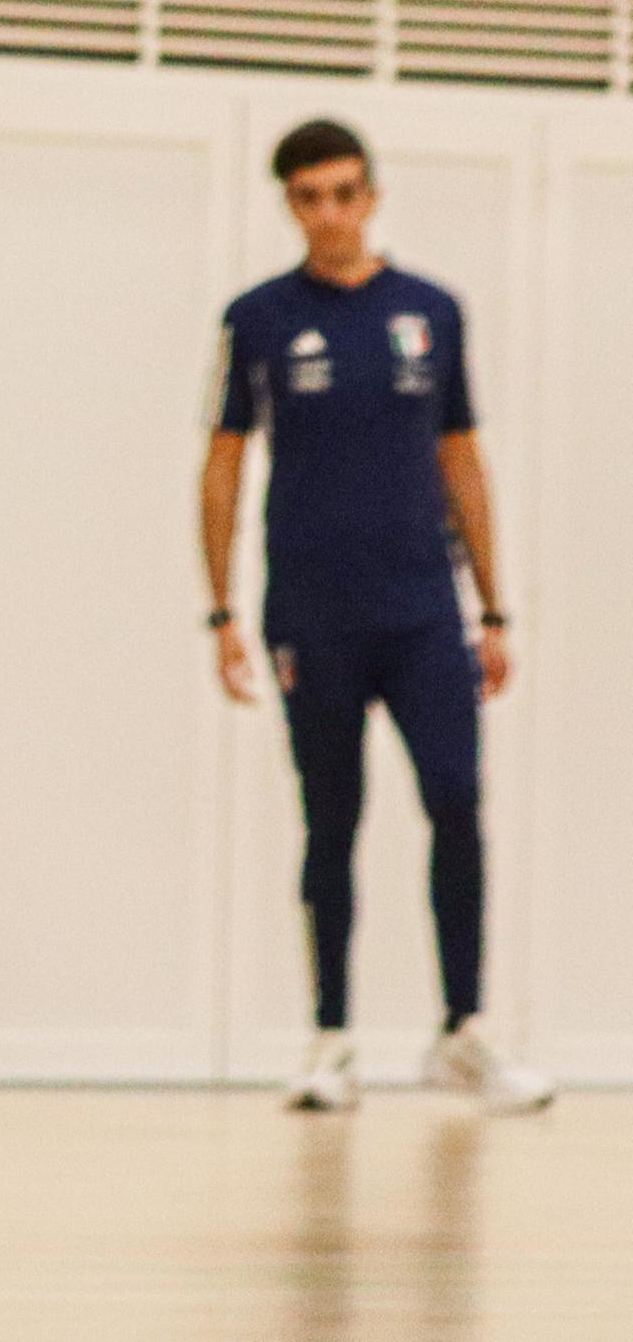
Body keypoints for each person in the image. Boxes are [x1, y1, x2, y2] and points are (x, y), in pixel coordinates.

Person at [203, 117, 548, 1115]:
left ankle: (464, 1031)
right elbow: (223, 464)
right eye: (310, 197)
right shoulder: (258, 319)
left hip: (423, 609)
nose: (330, 214)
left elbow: (462, 458)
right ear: (290, 205)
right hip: (312, 612)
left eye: (345, 193)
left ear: (373, 196)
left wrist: (494, 608)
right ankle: (331, 1039)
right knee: (332, 817)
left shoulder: (432, 311)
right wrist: (222, 611)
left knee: (455, 799)